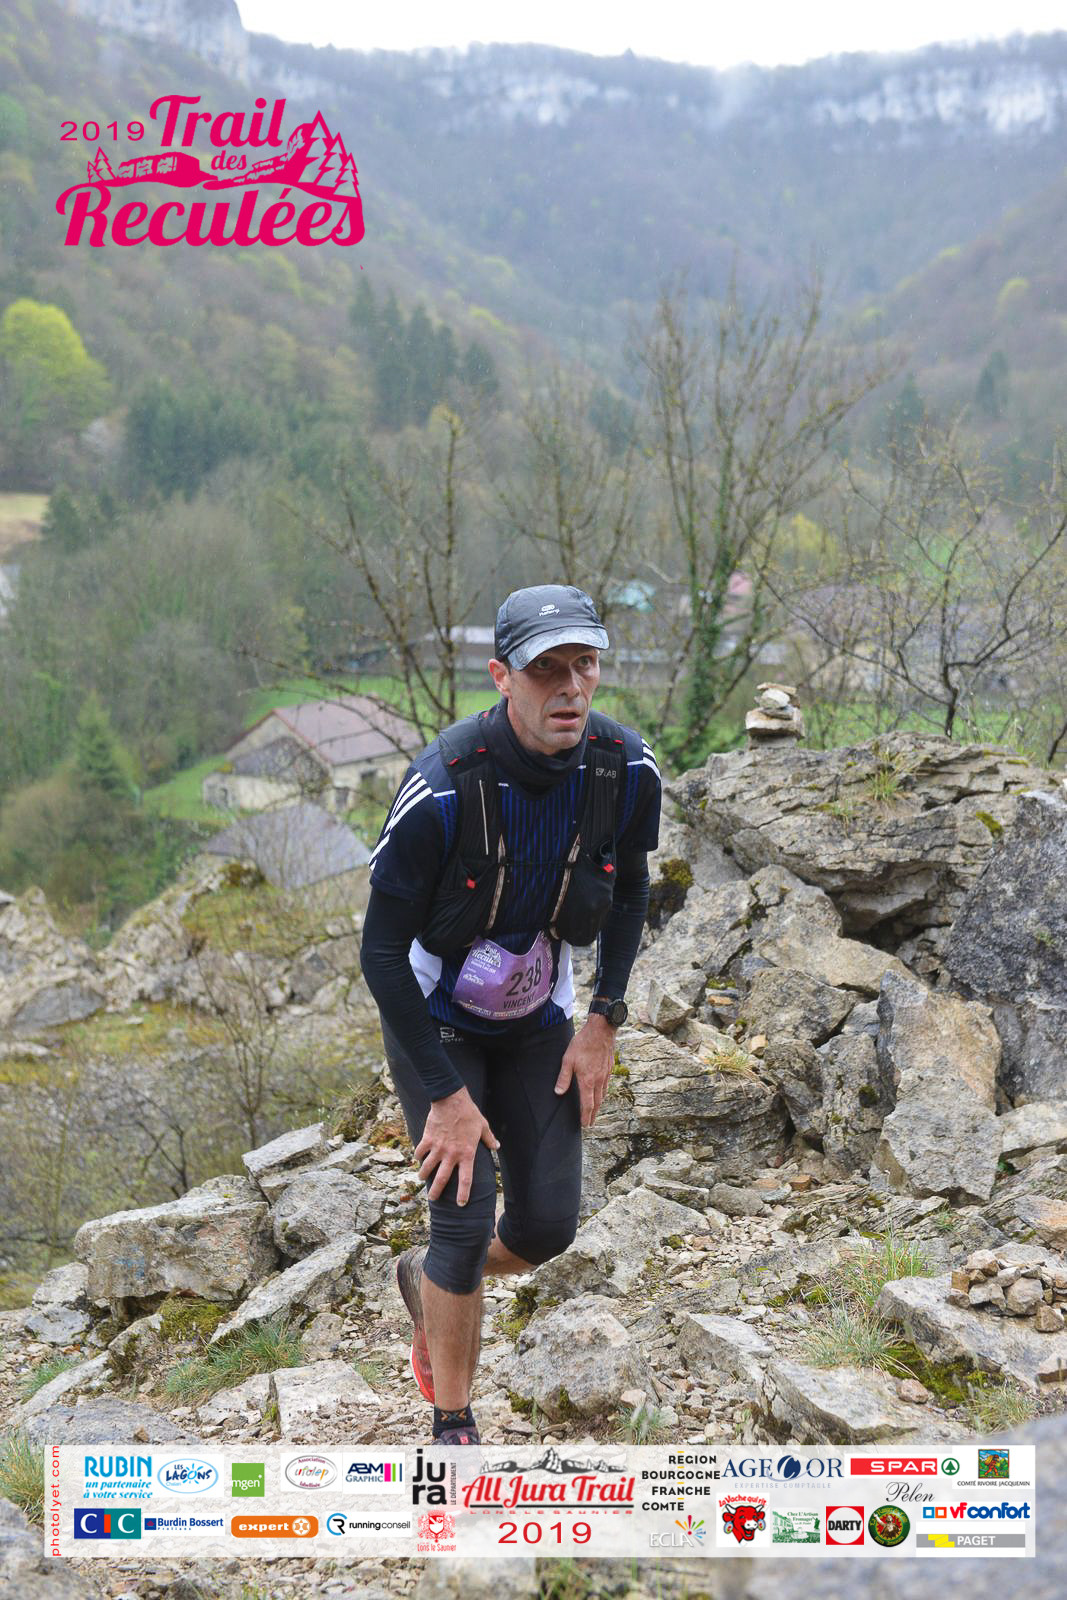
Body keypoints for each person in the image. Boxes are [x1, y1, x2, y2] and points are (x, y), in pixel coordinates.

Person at [359, 584, 660, 1445]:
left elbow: (630, 889)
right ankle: (453, 1422)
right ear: (501, 677)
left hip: (539, 1015)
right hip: (436, 1016)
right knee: (462, 1215)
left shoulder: (624, 769)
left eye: (584, 665)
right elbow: (379, 954)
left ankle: (424, 1277)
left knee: (546, 1229)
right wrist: (446, 1096)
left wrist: (603, 1020)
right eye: (544, 670)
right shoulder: (441, 789)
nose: (569, 687)